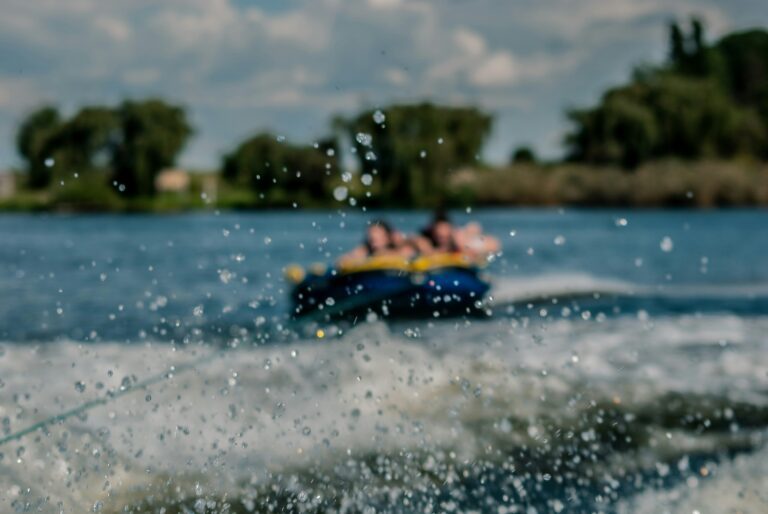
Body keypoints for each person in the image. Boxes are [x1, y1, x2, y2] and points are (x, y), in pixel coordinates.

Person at [337, 219, 414, 265]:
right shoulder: (366, 249)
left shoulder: (400, 246)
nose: (372, 238)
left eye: (377, 234)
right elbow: (342, 260)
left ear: (387, 236)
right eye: (370, 235)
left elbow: (409, 254)